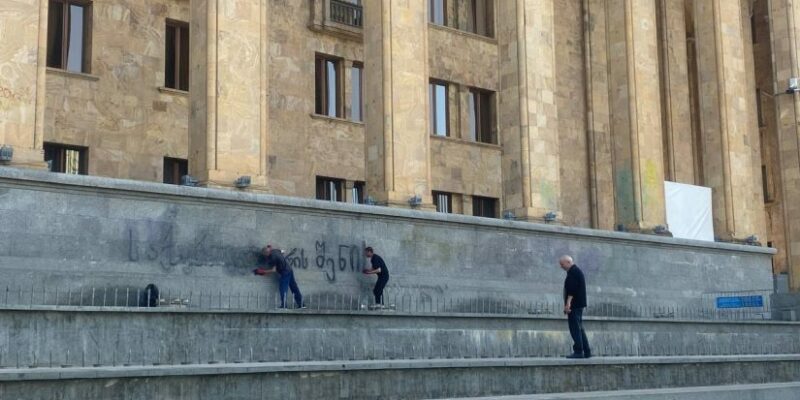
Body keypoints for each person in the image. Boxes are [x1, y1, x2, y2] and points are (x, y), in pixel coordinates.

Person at [560, 255, 591, 359]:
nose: (561, 266)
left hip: (574, 305)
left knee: (575, 328)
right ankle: (586, 351)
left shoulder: (573, 272)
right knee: (579, 328)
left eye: (562, 264)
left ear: (568, 262)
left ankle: (578, 351)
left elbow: (572, 290)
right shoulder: (576, 271)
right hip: (578, 304)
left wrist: (568, 304)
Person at [255, 245, 304, 309]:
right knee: (294, 288)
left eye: (264, 255)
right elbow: (283, 251)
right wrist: (280, 258)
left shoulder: (272, 258)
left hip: (285, 272)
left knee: (283, 288)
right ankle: (302, 305)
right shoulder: (275, 250)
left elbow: (273, 270)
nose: (264, 256)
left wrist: (263, 271)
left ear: (267, 253)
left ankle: (284, 306)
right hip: (289, 269)